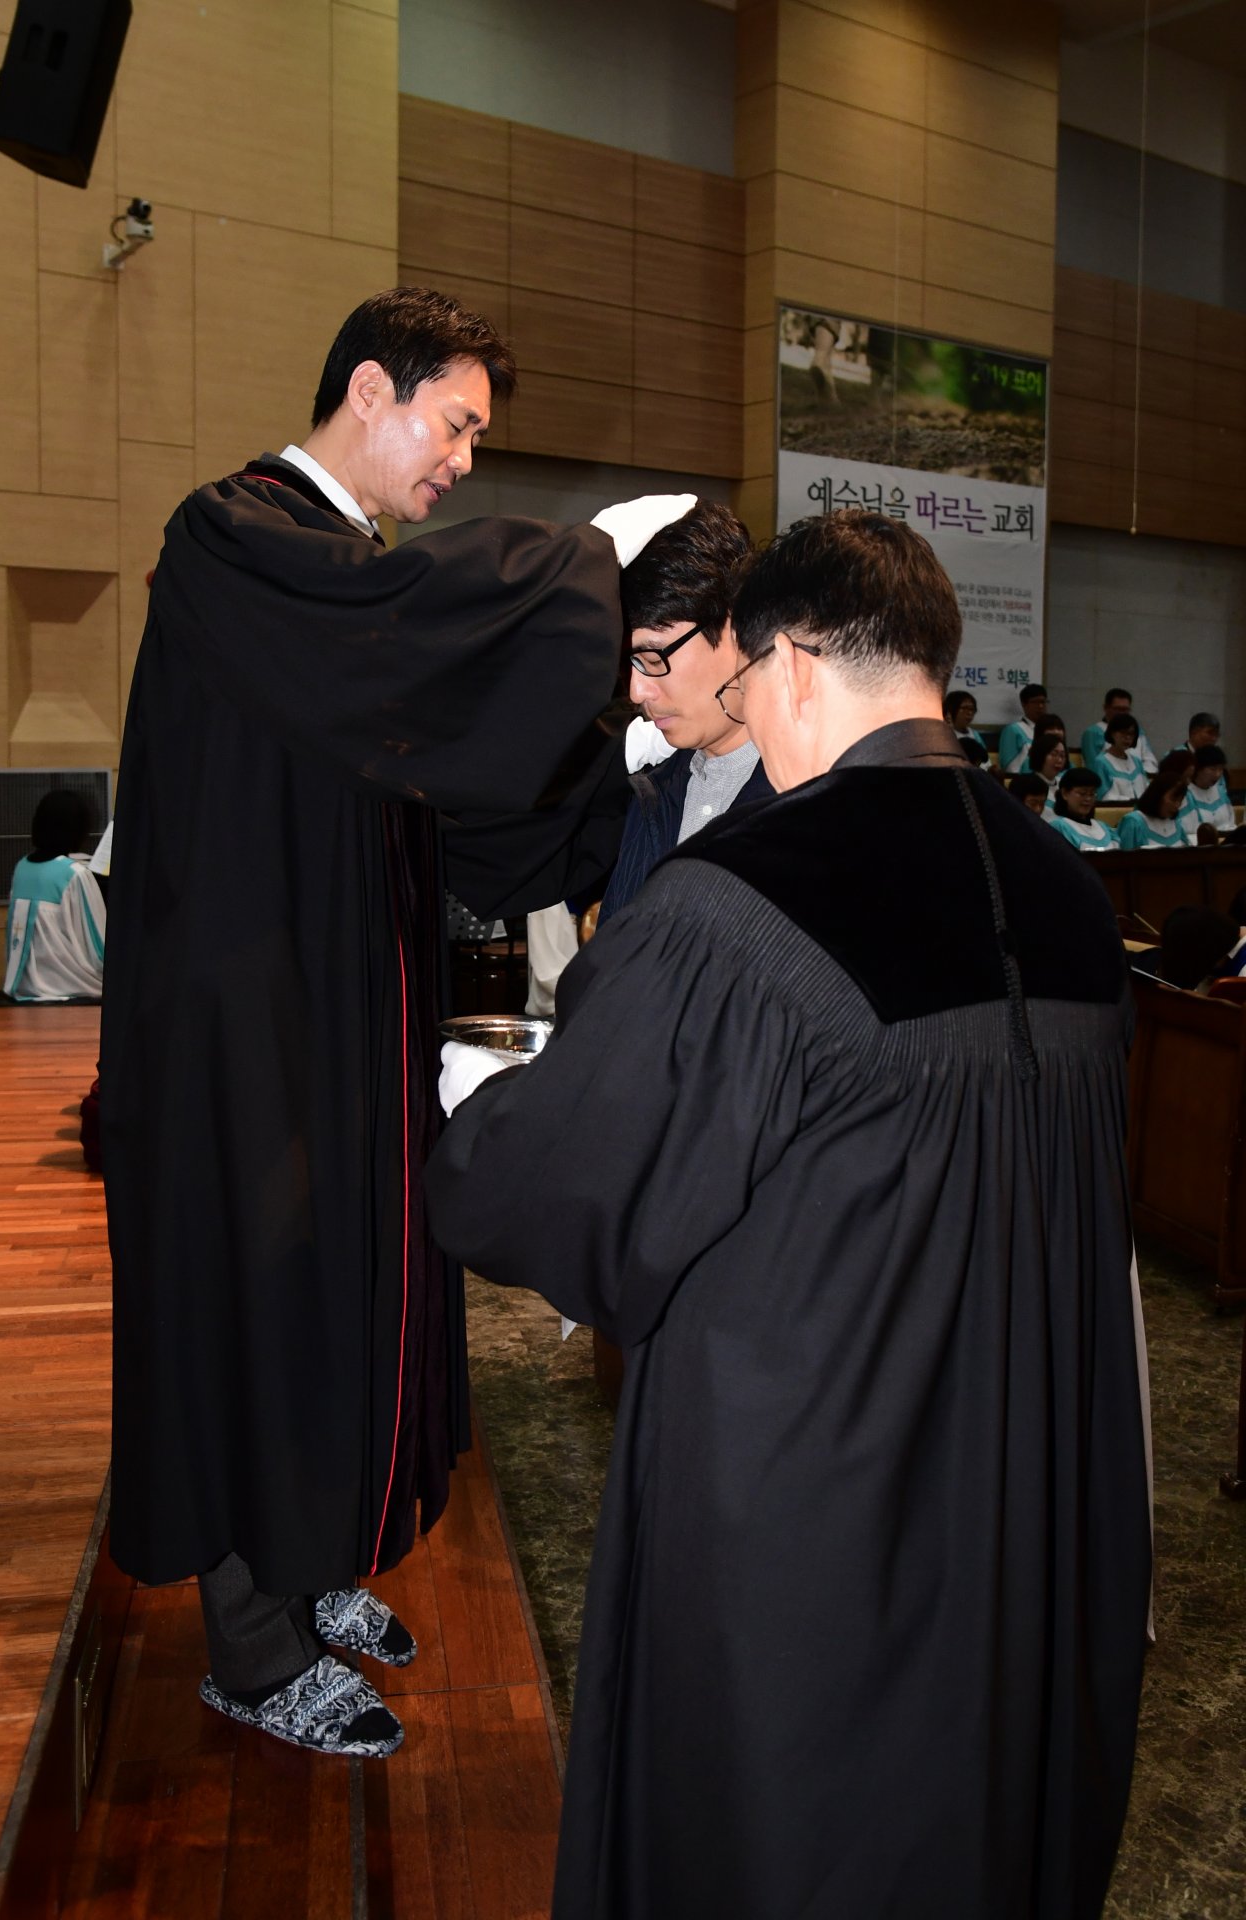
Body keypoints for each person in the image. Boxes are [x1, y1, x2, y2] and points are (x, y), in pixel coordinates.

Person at [426, 508, 1151, 1920]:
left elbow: (558, 1192)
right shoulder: (1067, 894)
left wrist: (479, 1107)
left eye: (747, 682)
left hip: (819, 1505)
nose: (746, 718)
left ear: (796, 664)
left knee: (791, 1838)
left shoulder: (749, 905)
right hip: (1019, 1485)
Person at [100, 284, 694, 1760]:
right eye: (456, 424)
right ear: (371, 388)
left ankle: (310, 1562)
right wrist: (583, 567)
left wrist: (599, 744)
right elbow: (412, 629)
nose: (465, 462)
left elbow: (446, 791)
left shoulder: (348, 585)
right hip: (247, 1036)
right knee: (259, 1302)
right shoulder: (233, 536)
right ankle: (250, 1645)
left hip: (348, 1016)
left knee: (345, 1291)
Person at [598, 502, 770, 922]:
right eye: (628, 665)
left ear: (736, 627)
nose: (637, 691)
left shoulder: (810, 799)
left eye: (653, 658)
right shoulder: (651, 790)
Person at [3, 789, 106, 1001]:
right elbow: (98, 941)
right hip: (66, 983)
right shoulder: (74, 875)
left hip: (23, 984)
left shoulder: (21, 867)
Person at [1082, 688, 1157, 774]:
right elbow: (1094, 766)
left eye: (1125, 710)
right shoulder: (1093, 733)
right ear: (1105, 708)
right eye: (1117, 709)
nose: (1122, 713)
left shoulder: (1137, 731)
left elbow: (1149, 759)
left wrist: (1142, 774)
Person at [1045, 766, 1120, 851]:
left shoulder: (1104, 827)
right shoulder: (1059, 827)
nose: (1088, 799)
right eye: (1082, 793)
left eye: (1092, 794)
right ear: (1065, 793)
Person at [1118, 766, 1192, 849]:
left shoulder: (1176, 825)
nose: (1177, 805)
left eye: (1180, 800)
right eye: (1173, 799)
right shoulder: (1134, 823)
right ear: (1158, 795)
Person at [1178, 744, 1235, 841]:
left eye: (1221, 769)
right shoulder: (1186, 794)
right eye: (1213, 769)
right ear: (1198, 769)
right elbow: (1187, 831)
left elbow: (1230, 822)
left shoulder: (1220, 792)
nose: (1217, 774)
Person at [1094, 714, 1149, 803]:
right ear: (1112, 733)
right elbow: (1103, 796)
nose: (1128, 737)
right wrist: (1128, 801)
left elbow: (1147, 788)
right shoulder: (1101, 762)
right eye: (1123, 732)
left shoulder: (1136, 762)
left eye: (1131, 734)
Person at [997, 680, 1047, 771]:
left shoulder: (1049, 730)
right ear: (1024, 704)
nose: (1040, 706)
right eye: (1035, 702)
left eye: (1043, 702)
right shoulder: (1013, 730)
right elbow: (1009, 767)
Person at [943, 687, 987, 752]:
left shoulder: (974, 734)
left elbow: (984, 756)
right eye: (964, 708)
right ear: (950, 710)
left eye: (972, 709)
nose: (969, 713)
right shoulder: (943, 734)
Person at [1027, 731, 1067, 799]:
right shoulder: (1028, 785)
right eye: (1054, 754)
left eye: (1062, 755)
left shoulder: (1064, 785)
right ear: (1040, 755)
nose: (1059, 760)